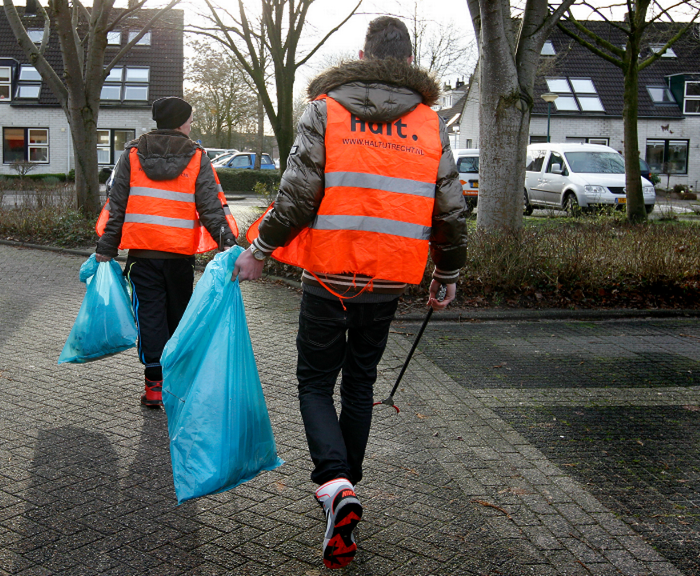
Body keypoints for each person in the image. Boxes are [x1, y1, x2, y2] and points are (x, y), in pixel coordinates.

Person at [233, 16, 468, 570]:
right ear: (408, 61)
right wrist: (448, 273)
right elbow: (450, 208)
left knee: (315, 382)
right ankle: (346, 490)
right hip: (386, 280)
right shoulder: (430, 122)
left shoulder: (326, 109)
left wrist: (259, 250)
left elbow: (297, 195)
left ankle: (335, 485)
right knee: (359, 384)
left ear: (363, 56)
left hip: (327, 277)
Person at [96, 96, 238, 408]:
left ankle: (154, 387)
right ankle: (177, 383)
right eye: (190, 121)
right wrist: (229, 245)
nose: (191, 126)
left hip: (142, 256)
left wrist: (106, 249)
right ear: (182, 123)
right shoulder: (197, 156)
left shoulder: (132, 154)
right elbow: (210, 207)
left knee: (150, 318)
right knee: (179, 318)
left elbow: (117, 204)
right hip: (179, 257)